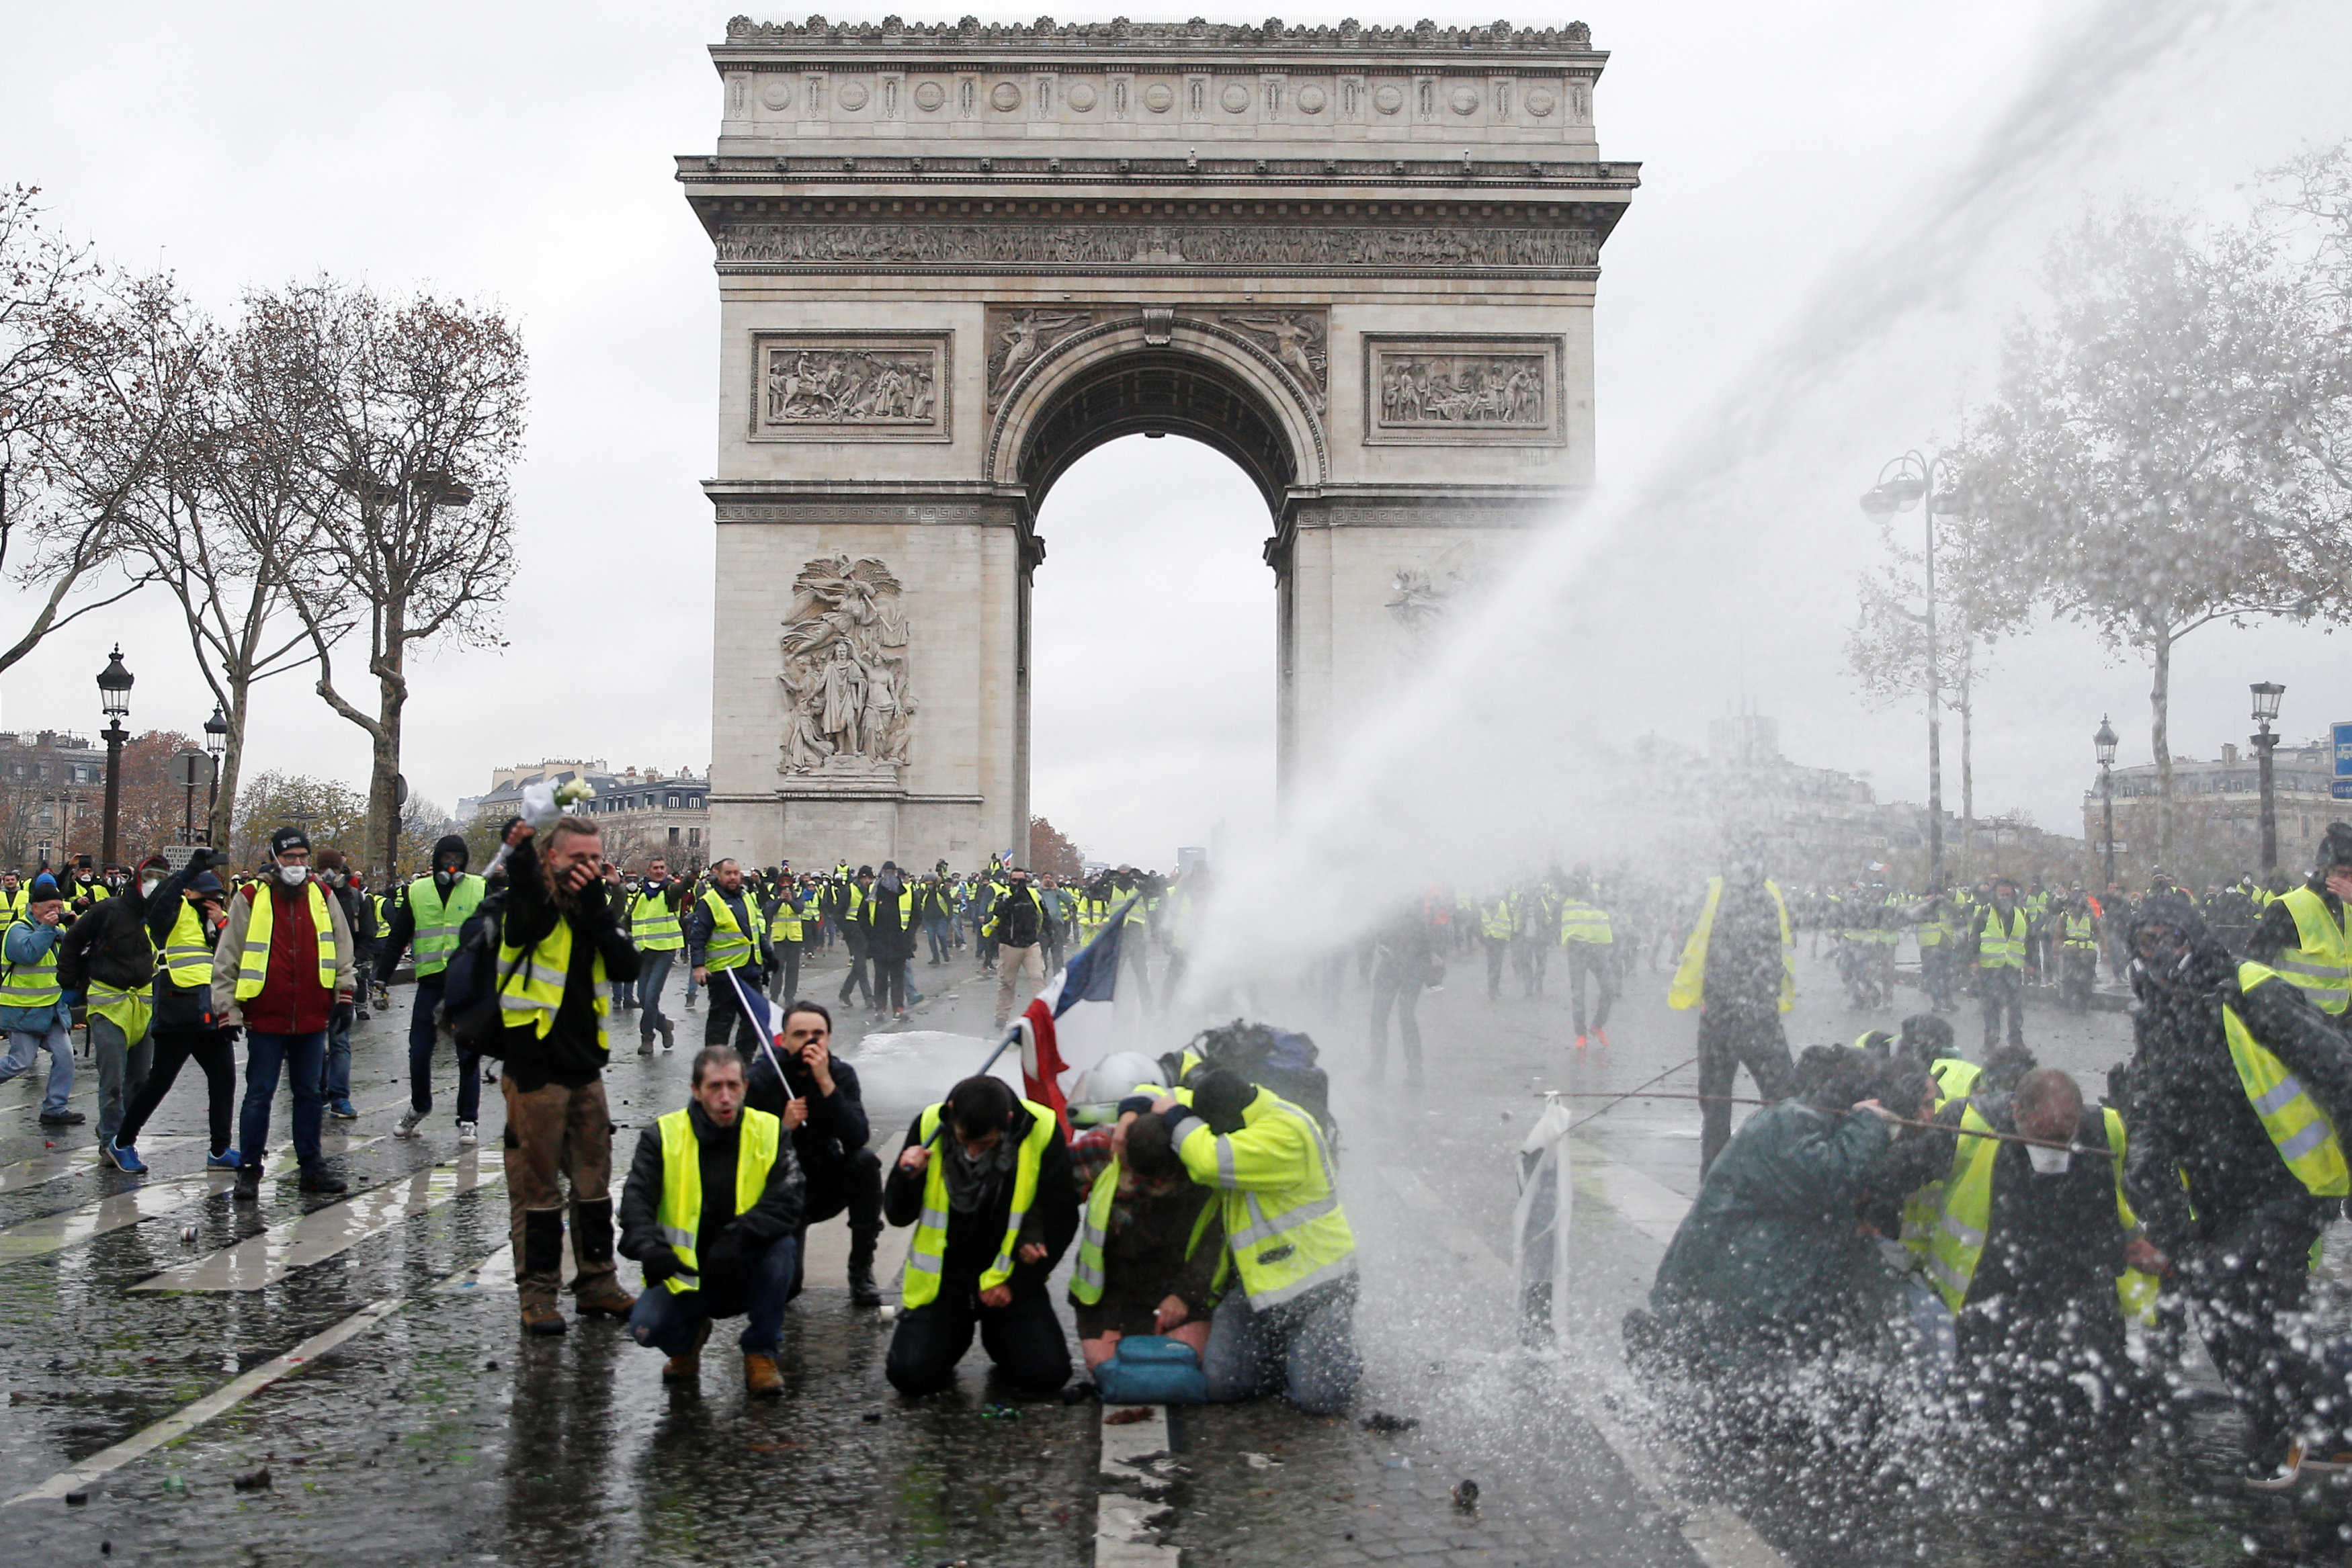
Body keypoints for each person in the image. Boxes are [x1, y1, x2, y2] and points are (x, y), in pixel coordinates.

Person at [2115, 891, 2352, 1485]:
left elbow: (2337, 1067)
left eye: (2170, 937)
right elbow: (2150, 1127)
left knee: (2246, 1296)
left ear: (2194, 935)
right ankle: (2312, 1427)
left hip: (2290, 1183)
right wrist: (2174, 1232)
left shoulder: (2250, 991)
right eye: (2147, 943)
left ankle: (2301, 1427)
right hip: (2219, 1195)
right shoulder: (2156, 1018)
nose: (2162, 953)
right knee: (2221, 1308)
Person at [1867, 1067, 2156, 1436]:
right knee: (1990, 1417)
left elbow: (2113, 1196)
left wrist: (2136, 1240)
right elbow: (1892, 1175)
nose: (2053, 1149)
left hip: (2079, 1293)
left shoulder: (2105, 1130)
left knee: (2093, 1412)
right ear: (2017, 1112)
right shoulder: (1969, 1126)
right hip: (1988, 1296)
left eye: (2064, 1137)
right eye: (2043, 1135)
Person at [1638, 1049, 1899, 1376]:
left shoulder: (1807, 1125)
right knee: (1729, 1381)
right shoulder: (1789, 1124)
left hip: (1733, 1289)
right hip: (1728, 1295)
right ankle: (1669, 1359)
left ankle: (1676, 1359)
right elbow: (1831, 1177)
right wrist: (1871, 1126)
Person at [492, 814, 641, 1336]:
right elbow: (526, 918)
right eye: (578, 858)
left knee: (594, 1185)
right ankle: (537, 1294)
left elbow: (626, 966)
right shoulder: (529, 900)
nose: (589, 868)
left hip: (586, 1066)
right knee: (537, 1191)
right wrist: (521, 854)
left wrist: (598, 905)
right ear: (552, 859)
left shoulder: (594, 905)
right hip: (535, 1070)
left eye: (595, 859)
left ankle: (598, 1283)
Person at [1150, 1068, 1359, 1414]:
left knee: (1318, 1401)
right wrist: (1138, 1106)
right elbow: (1162, 1094)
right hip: (1260, 1287)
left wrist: (1175, 1116)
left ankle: (1338, 1359)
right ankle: (1287, 1353)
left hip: (1318, 1285)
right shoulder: (1243, 1107)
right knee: (1223, 1385)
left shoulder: (1286, 1133)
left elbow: (1208, 1161)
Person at [618, 1045, 804, 1395]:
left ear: (745, 1088)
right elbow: (635, 1203)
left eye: (733, 1086)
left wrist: (740, 1237)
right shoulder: (662, 1135)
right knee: (646, 1328)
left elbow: (789, 1200)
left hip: (744, 1264)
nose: (725, 1097)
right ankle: (686, 1343)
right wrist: (649, 1247)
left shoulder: (770, 1131)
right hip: (685, 1273)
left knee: (782, 1248)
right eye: (714, 1087)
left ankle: (760, 1353)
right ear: (695, 1090)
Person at [882, 1073, 1078, 1396]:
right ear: (951, 1112)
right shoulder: (930, 1124)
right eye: (964, 1141)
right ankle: (953, 1334)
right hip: (944, 1284)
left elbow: (1063, 1218)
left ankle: (1001, 1335)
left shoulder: (1041, 1127)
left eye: (985, 1145)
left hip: (1006, 1277)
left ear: (1009, 1121)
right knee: (910, 1377)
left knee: (1047, 1376)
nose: (973, 1153)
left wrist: (1016, 1284)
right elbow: (897, 1216)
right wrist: (907, 1179)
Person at [215, 829, 354, 1200]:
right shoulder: (250, 897)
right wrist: (227, 1008)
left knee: (310, 1094)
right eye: (290, 857)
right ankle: (249, 1169)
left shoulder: (322, 896)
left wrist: (345, 995)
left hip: (311, 1014)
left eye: (302, 857)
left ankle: (312, 1167)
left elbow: (341, 947)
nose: (297, 864)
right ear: (276, 859)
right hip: (266, 1015)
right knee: (259, 1094)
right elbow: (229, 954)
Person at [1668, 840, 1798, 1176]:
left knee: (1725, 1110)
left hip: (1726, 1019)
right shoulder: (1762, 896)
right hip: (1747, 1019)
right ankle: (1771, 1175)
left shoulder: (1718, 893)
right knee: (1777, 1104)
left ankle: (1718, 1184)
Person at [743, 999, 885, 1307]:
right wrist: (783, 1127)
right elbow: (743, 1152)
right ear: (785, 1039)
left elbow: (857, 1137)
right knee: (787, 1288)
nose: (810, 1041)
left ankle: (861, 1269)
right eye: (800, 1034)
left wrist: (825, 1083)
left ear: (828, 1038)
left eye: (818, 1034)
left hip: (823, 1181)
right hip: (779, 1187)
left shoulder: (839, 1073)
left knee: (865, 1164)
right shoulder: (764, 1075)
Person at [108, 858, 241, 1172]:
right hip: (177, 1007)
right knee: (160, 1082)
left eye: (218, 898)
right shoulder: (172, 911)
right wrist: (189, 872)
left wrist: (223, 924)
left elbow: (232, 956)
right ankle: (122, 1143)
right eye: (206, 896)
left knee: (224, 1079)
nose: (213, 902)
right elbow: (159, 905)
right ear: (190, 892)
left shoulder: (214, 921)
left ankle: (220, 1151)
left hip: (209, 1010)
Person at [1071, 1108, 1224, 1377]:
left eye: (1164, 1180)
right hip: (1110, 1292)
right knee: (1106, 1369)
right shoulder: (1098, 1149)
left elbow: (1215, 1243)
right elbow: (1048, 1192)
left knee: (1185, 1365)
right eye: (1145, 1179)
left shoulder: (1205, 1161)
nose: (1156, 1185)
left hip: (1175, 1286)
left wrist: (1184, 1295)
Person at [382, 834, 488, 1145]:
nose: (452, 864)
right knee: (419, 1052)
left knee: (467, 1055)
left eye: (458, 858)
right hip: (430, 983)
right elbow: (399, 934)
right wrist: (381, 976)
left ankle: (468, 1118)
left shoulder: (479, 888)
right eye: (446, 859)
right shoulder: (418, 891)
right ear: (436, 861)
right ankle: (419, 1106)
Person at [60, 853, 164, 1148]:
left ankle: (118, 1128)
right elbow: (73, 940)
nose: (155, 885)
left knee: (141, 1082)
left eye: (162, 879)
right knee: (113, 1082)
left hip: (143, 1007)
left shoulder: (164, 915)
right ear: (138, 880)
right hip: (108, 1006)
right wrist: (68, 981)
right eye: (150, 878)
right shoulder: (108, 910)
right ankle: (112, 1142)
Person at [2247, 822, 2352, 1029]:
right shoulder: (2287, 907)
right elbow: (2254, 966)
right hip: (2304, 1024)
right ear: (2324, 870)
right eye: (2342, 874)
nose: (2349, 881)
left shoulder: (2349, 904)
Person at [0, 874, 79, 1126]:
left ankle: (55, 1109)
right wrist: (47, 928)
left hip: (52, 1008)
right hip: (24, 1009)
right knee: (20, 1061)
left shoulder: (56, 931)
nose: (56, 912)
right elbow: (28, 954)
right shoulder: (17, 929)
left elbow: (78, 954)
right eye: (50, 909)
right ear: (35, 908)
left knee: (66, 1056)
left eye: (59, 907)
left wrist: (75, 929)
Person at [687, 857, 770, 1051]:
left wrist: (768, 955)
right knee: (720, 1025)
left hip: (749, 971)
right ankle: (714, 1066)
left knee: (755, 1021)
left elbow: (754, 931)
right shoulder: (709, 902)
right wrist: (698, 966)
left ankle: (743, 1063)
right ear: (719, 875)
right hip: (724, 975)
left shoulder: (746, 897)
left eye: (736, 873)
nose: (733, 878)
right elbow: (698, 937)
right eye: (728, 874)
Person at [310, 850, 366, 1123]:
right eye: (326, 868)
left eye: (334, 868)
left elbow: (366, 932)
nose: (330, 873)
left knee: (339, 1040)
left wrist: (358, 963)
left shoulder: (353, 897)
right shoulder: (309, 894)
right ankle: (321, 1093)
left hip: (341, 976)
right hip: (316, 980)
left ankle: (338, 1096)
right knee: (317, 1043)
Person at [1368, 899, 1437, 1086]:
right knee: (1380, 1015)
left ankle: (1414, 1070)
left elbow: (1420, 936)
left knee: (1405, 1015)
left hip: (1412, 964)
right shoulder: (1393, 899)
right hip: (1396, 963)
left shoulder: (1409, 900)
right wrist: (1383, 942)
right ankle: (1380, 1067)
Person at [630, 855, 689, 1051]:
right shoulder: (641, 893)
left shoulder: (670, 890)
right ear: (648, 871)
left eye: (662, 868)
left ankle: (647, 1037)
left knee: (652, 996)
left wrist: (692, 877)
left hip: (664, 950)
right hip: (644, 951)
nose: (660, 871)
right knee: (643, 998)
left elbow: (681, 889)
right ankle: (664, 1024)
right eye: (655, 868)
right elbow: (629, 917)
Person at [985, 868, 1049, 1030]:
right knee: (1007, 982)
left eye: (1022, 881)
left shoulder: (1034, 895)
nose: (1019, 884)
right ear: (1009, 881)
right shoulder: (1003, 895)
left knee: (1037, 978)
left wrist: (1050, 935)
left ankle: (1043, 1014)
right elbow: (998, 912)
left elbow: (1044, 914)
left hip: (1031, 944)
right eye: (1015, 881)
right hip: (1010, 945)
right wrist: (1014, 898)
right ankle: (1001, 1016)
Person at [1972, 877, 2030, 1053]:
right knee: (1991, 1006)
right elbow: (1974, 937)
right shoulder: (1985, 913)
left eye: (2008, 894)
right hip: (1989, 967)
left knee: (2015, 1006)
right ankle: (1991, 1040)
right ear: (1994, 895)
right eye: (2001, 894)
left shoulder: (2022, 913)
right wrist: (1973, 960)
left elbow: (2030, 940)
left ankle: (2016, 1039)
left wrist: (2032, 963)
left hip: (2012, 967)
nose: (2005, 898)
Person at [1558, 875, 1616, 1048]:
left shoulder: (1600, 889)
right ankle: (1581, 1035)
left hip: (1598, 947)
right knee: (1578, 995)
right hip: (1577, 947)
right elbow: (1555, 875)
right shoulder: (1568, 889)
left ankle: (1596, 1026)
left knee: (1609, 989)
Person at [860, 860, 919, 1023]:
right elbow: (862, 916)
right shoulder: (874, 891)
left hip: (899, 941)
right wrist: (871, 935)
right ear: (882, 874)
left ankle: (898, 1008)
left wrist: (909, 934)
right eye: (888, 872)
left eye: (893, 872)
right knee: (880, 977)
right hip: (879, 941)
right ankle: (880, 1008)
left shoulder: (906, 891)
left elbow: (916, 915)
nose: (890, 876)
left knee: (898, 977)